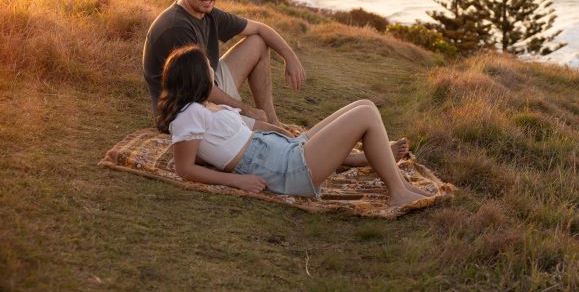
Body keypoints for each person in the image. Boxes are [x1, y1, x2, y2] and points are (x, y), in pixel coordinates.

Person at [157, 45, 430, 208]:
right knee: (365, 118)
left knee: (365, 105)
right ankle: (397, 192)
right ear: (196, 77)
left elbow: (219, 147)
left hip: (284, 152)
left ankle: (397, 182)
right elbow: (185, 168)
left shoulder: (200, 107)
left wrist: (277, 130)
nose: (212, 76)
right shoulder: (190, 114)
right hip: (284, 170)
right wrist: (237, 181)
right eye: (208, 70)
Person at [142, 0, 306, 129]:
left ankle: (272, 120)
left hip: (208, 85)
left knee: (257, 42)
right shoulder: (176, 28)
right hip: (185, 110)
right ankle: (265, 125)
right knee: (269, 133)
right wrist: (246, 110)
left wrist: (290, 58)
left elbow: (260, 28)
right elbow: (201, 90)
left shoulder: (209, 13)